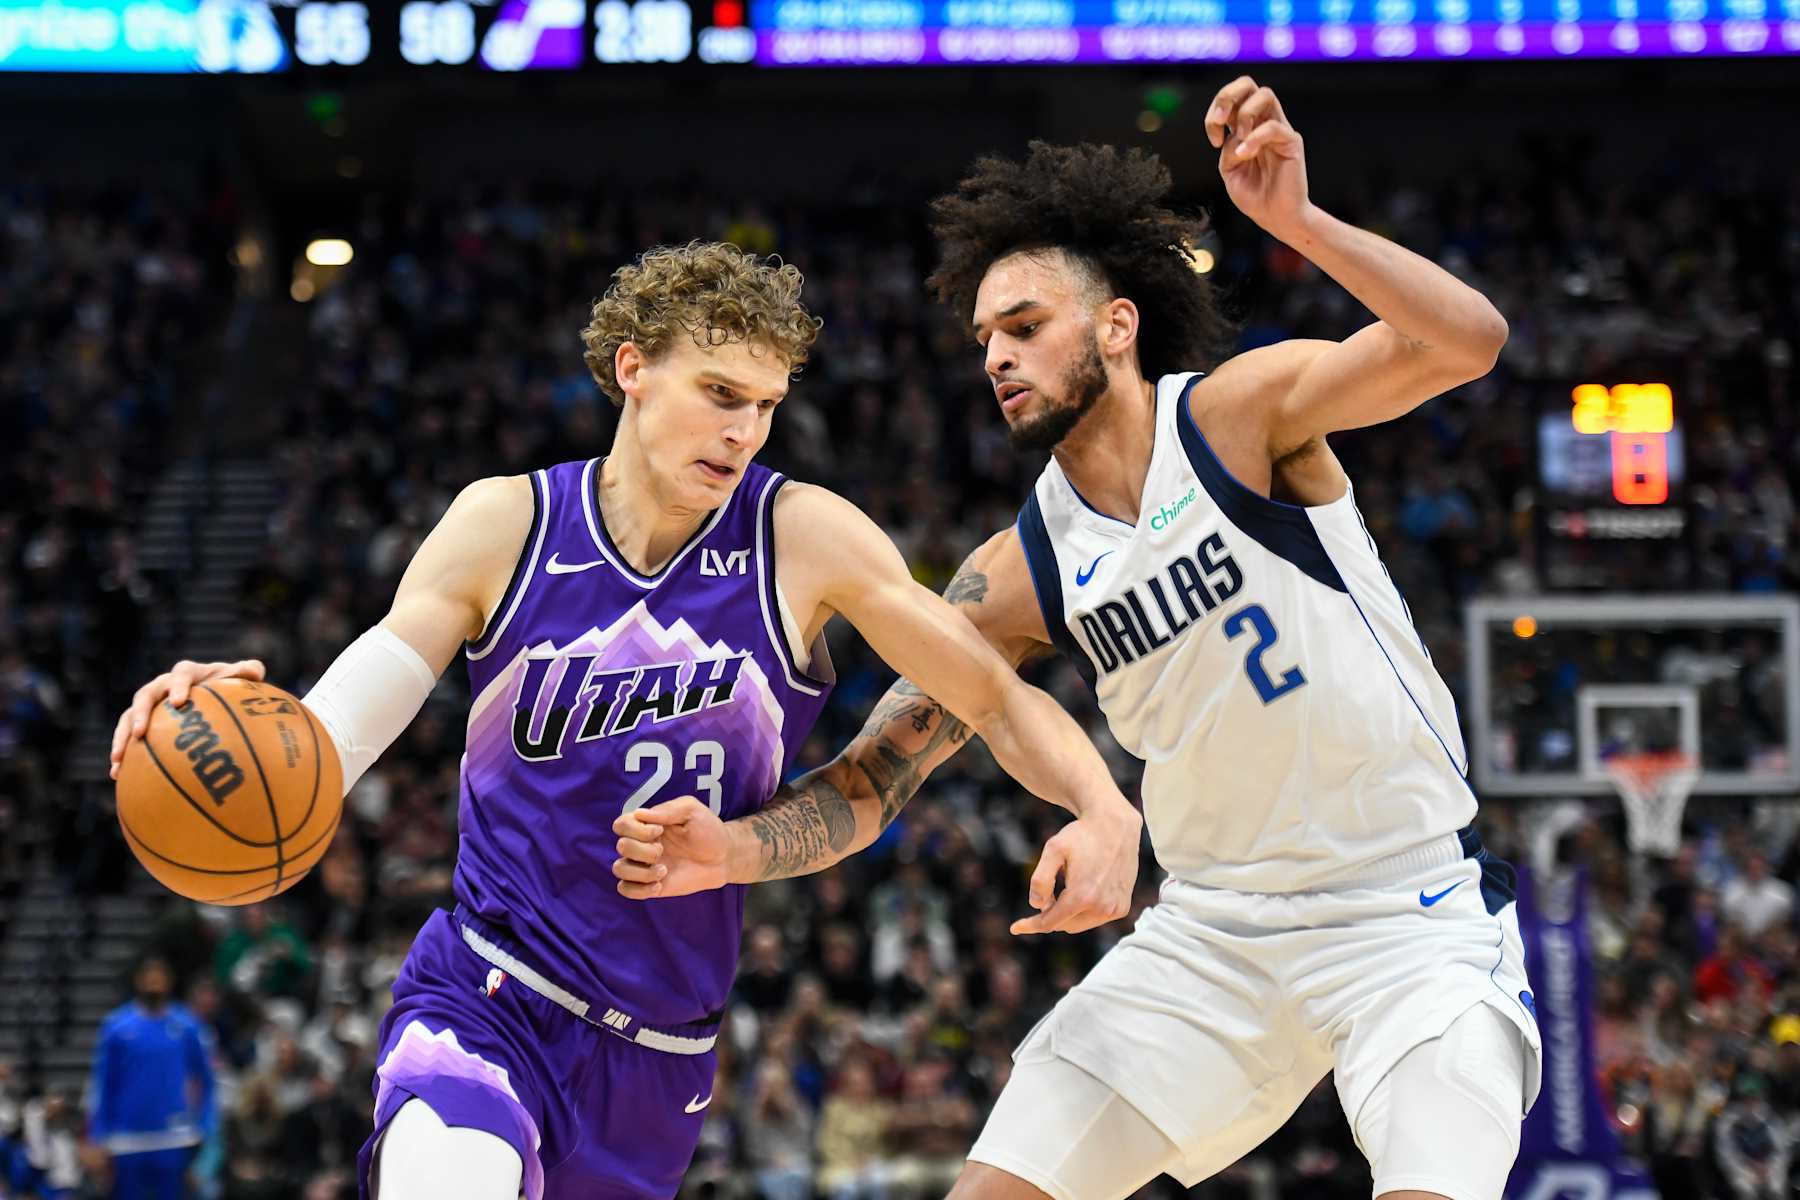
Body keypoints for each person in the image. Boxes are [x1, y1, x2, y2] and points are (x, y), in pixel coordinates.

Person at [616, 80, 1543, 1200]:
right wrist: (737, 849)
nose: (996, 357)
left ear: (1117, 325)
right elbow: (877, 774)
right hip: (1213, 936)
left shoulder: (1240, 420)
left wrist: (1299, 226)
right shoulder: (1018, 574)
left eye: (1024, 327)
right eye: (984, 340)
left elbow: (1468, 341)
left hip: (1409, 913)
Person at [109, 241, 1141, 1200]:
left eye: (767, 406)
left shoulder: (801, 540)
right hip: (485, 995)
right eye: (720, 394)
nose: (744, 432)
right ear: (634, 368)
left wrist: (1101, 802)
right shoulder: (504, 524)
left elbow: (992, 696)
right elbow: (337, 734)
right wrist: (236, 727)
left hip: (659, 1061)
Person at [89, 955, 216, 1200]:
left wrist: (205, 1122)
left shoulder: (187, 1026)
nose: (154, 984)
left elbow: (206, 1079)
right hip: (127, 1138)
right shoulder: (116, 1027)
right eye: (149, 979)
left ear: (169, 982)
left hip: (173, 1137)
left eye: (159, 979)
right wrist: (98, 1134)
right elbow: (104, 1082)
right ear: (138, 982)